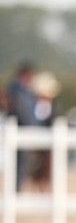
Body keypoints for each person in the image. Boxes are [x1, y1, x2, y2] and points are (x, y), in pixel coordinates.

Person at [5, 63, 39, 191]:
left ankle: (17, 191)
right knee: (18, 165)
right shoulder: (16, 91)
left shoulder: (25, 91)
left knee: (22, 166)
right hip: (20, 131)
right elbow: (24, 114)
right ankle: (15, 192)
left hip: (24, 131)